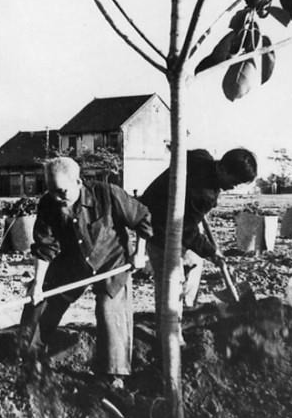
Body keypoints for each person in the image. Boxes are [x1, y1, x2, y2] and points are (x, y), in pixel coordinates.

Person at [18, 156, 151, 387]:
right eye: (51, 191)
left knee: (110, 312)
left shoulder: (108, 194)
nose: (57, 198)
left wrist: (139, 254)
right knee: (41, 302)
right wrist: (38, 285)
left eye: (61, 192)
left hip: (111, 262)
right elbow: (45, 247)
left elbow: (142, 219)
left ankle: (111, 377)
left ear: (78, 182)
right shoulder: (49, 204)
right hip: (71, 262)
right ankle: (27, 358)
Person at [139, 148, 258, 326]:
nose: (234, 186)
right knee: (170, 281)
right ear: (223, 169)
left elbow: (184, 153)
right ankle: (168, 329)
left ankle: (185, 310)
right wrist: (211, 252)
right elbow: (187, 232)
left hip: (176, 218)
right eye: (235, 181)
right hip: (157, 226)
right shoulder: (204, 194)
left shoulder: (201, 157)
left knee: (194, 261)